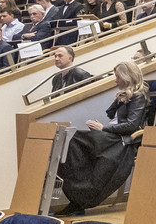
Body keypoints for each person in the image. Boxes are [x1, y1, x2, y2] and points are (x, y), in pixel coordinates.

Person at [57, 61, 147, 215]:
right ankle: (76, 195)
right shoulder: (127, 95)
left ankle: (78, 197)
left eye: (118, 77)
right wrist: (120, 98)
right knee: (74, 141)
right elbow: (111, 114)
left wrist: (103, 128)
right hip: (113, 136)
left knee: (75, 140)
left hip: (122, 140)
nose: (115, 80)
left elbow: (132, 126)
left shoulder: (138, 97)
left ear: (127, 77)